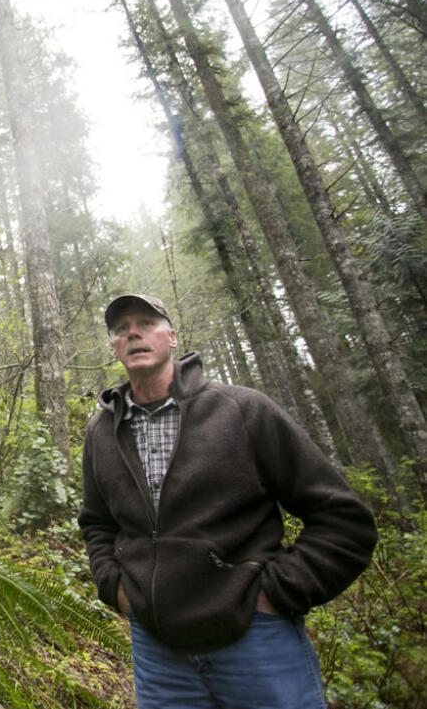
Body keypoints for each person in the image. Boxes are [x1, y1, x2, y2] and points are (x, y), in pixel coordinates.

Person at [79, 293, 378, 709]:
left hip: (256, 638)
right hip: (157, 650)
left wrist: (274, 592)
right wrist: (116, 589)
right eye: (121, 328)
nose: (133, 333)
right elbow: (96, 523)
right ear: (114, 346)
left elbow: (343, 520)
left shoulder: (241, 410)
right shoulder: (101, 433)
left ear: (171, 337)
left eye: (146, 323)